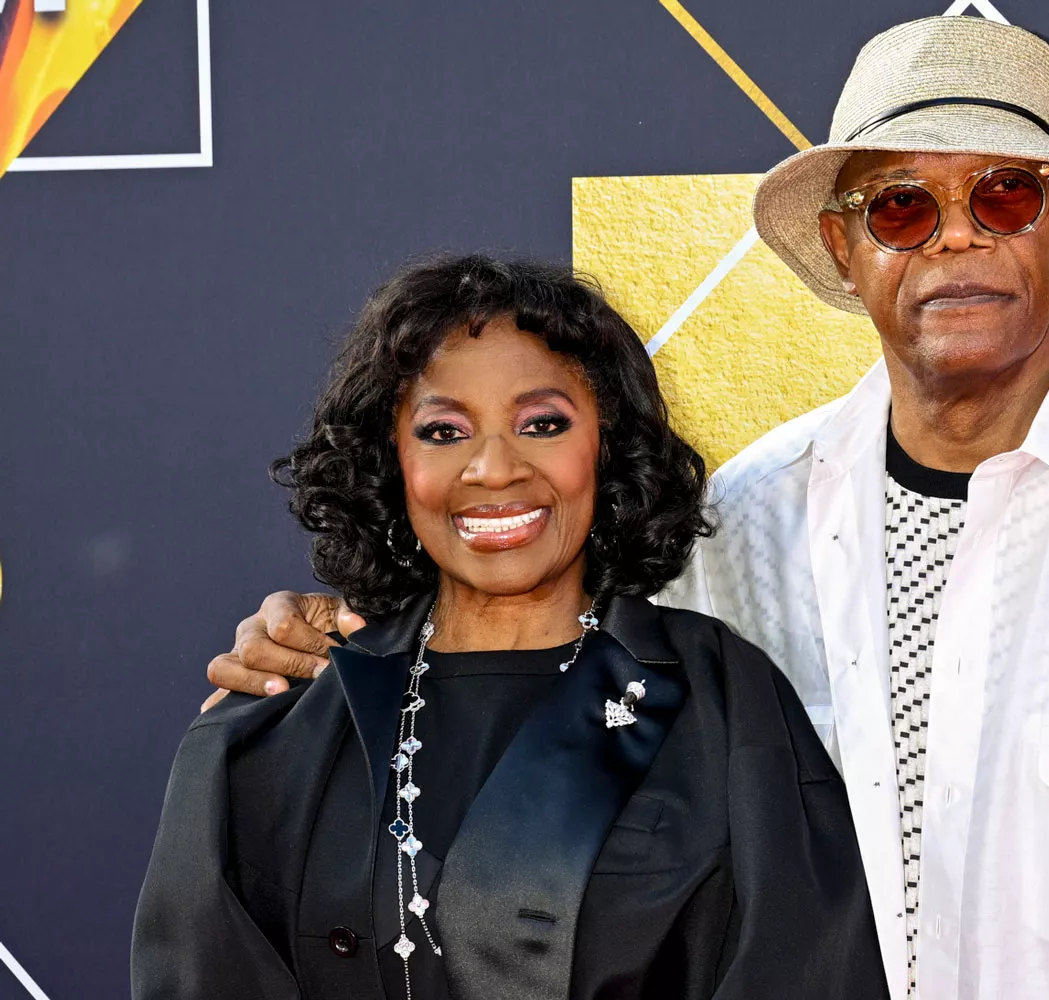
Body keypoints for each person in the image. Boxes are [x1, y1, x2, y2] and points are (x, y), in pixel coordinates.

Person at [201, 17, 1049, 1000]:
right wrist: (333, 646)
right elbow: (516, 689)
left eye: (1004, 194)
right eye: (899, 206)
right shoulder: (737, 530)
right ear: (844, 245)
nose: (955, 240)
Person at [133, 256, 888, 1000]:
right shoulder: (286, 713)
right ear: (390, 461)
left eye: (542, 423)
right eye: (442, 431)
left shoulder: (721, 699)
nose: (494, 468)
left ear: (607, 444)